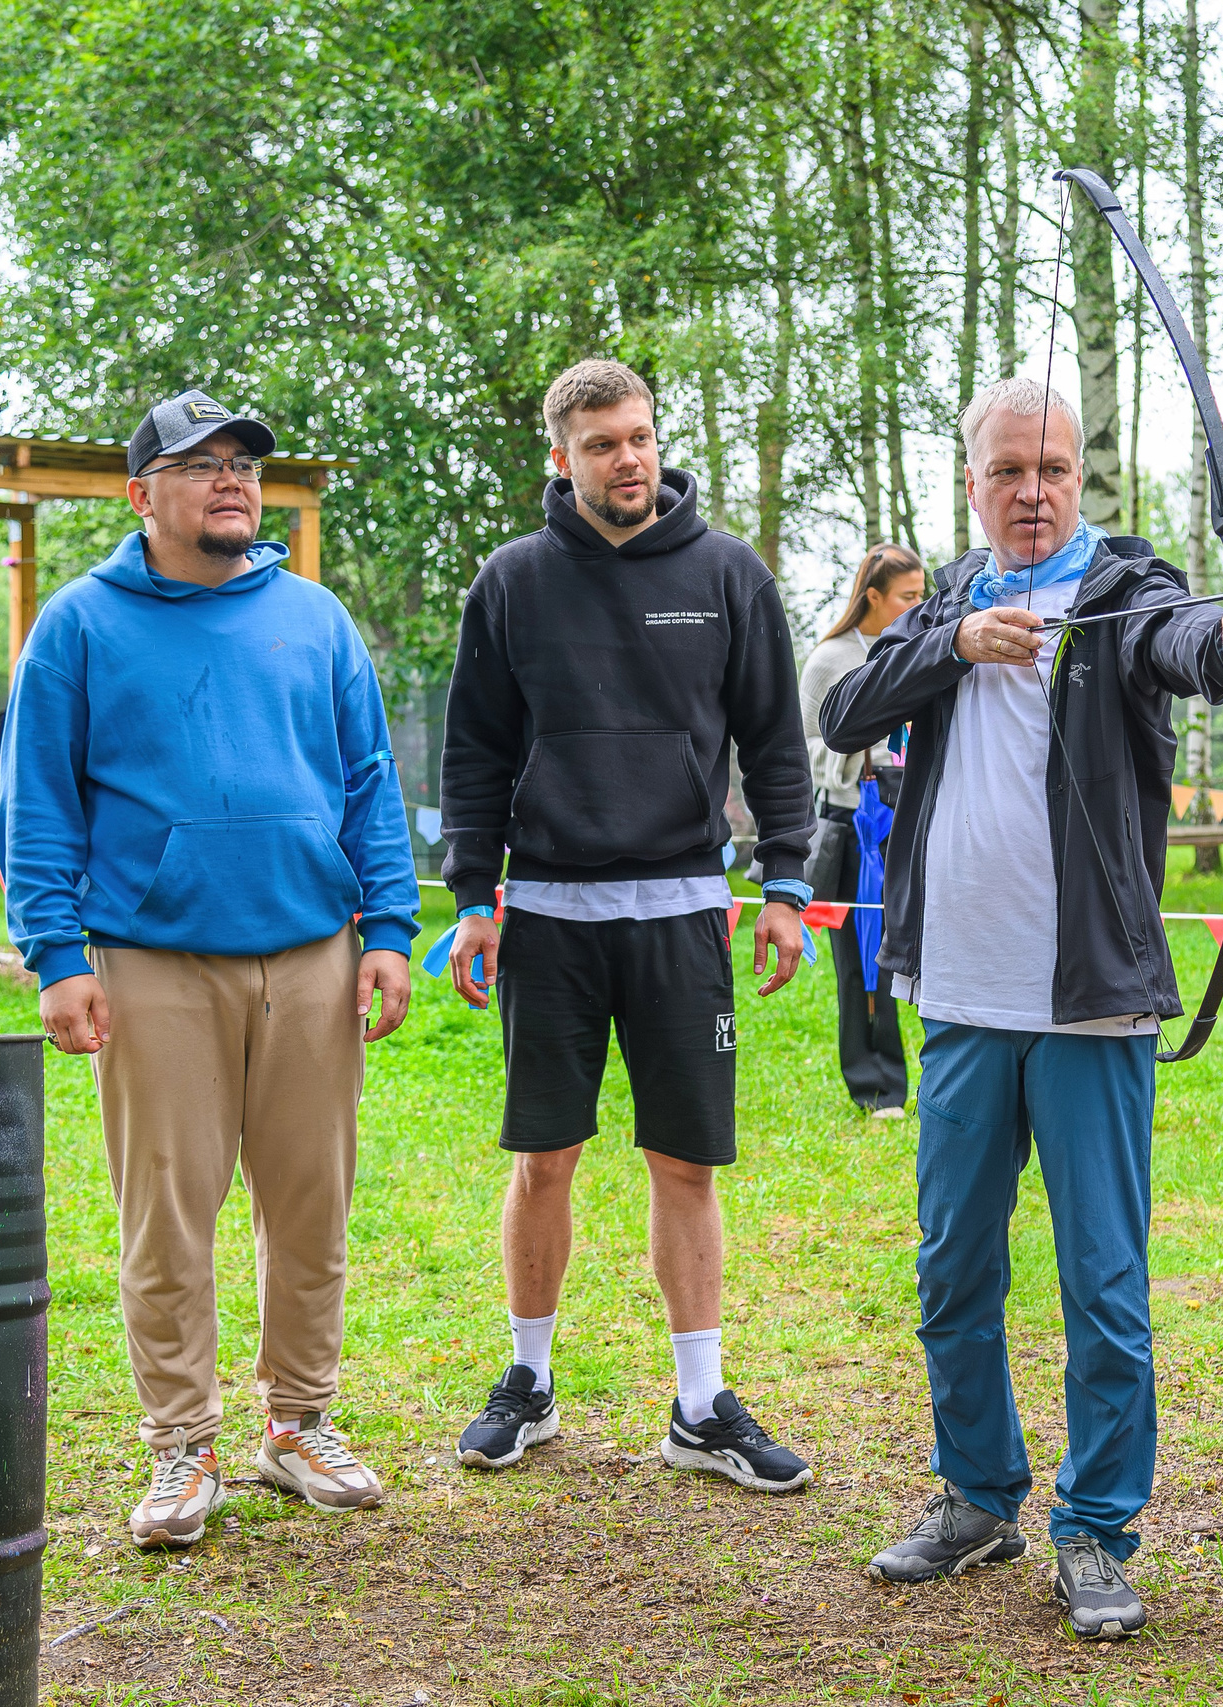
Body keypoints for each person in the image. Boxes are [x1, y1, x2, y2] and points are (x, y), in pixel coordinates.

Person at [818, 376, 1223, 1639]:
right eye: (1006, 472)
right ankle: (978, 1496)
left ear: (1078, 478)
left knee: (1103, 1281)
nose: (1031, 493)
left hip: (1088, 1002)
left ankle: (1095, 1530)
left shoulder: (1125, 586)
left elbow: (1180, 644)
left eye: (1052, 470)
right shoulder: (950, 606)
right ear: (969, 483)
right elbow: (841, 710)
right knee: (950, 1268)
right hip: (963, 998)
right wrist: (953, 643)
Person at [0, 389, 420, 1548]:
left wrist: (388, 932)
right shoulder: (81, 626)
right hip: (151, 963)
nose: (231, 480)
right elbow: (34, 802)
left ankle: (297, 1426)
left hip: (312, 955)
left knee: (311, 1208)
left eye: (243, 464)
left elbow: (369, 784)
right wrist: (55, 954)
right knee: (166, 1221)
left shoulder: (316, 618)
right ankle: (183, 1448)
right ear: (141, 496)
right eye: (198, 464)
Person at [438, 359, 817, 1493]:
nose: (629, 458)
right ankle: (530, 1383)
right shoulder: (511, 582)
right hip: (548, 915)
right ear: (562, 458)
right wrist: (472, 898)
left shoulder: (727, 574)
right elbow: (476, 754)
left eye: (641, 436)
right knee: (543, 1156)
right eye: (602, 443)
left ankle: (700, 1407)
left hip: (683, 915)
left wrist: (786, 886)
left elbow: (776, 746)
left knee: (683, 1162)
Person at [801, 543, 927, 1116]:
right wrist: (867, 752)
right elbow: (804, 747)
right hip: (853, 825)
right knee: (860, 958)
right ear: (873, 597)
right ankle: (875, 1086)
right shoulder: (831, 659)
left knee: (911, 951)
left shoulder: (912, 650)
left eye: (922, 595)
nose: (916, 605)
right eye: (908, 596)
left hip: (906, 821)